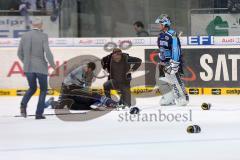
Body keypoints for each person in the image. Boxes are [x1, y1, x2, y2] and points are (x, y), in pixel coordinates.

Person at [17, 17, 56, 119]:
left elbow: (19, 53)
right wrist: (53, 65)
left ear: (32, 25)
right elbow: (47, 52)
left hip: (28, 68)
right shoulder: (43, 36)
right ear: (40, 25)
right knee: (43, 90)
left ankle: (23, 105)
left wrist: (26, 62)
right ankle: (39, 114)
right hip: (41, 67)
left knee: (32, 88)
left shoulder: (24, 36)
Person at [45, 62, 119, 110]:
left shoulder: (90, 74)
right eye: (87, 68)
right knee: (62, 107)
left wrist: (87, 92)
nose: (87, 70)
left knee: (84, 104)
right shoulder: (80, 69)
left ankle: (107, 101)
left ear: (91, 70)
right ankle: (51, 102)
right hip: (68, 87)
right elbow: (67, 80)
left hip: (77, 89)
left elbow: (87, 86)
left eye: (89, 70)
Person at [154, 14, 189, 106]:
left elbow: (176, 49)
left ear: (165, 24)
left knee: (175, 80)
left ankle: (183, 98)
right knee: (165, 80)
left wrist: (175, 62)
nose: (158, 25)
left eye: (160, 23)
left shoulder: (172, 34)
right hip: (164, 62)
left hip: (172, 61)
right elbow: (161, 48)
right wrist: (161, 57)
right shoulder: (160, 35)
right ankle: (169, 98)